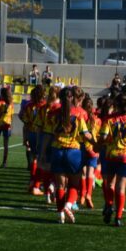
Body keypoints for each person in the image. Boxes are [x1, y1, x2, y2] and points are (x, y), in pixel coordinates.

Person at [41, 86, 92, 224]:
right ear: (72, 98)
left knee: (60, 186)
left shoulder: (53, 113)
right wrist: (96, 141)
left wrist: (43, 152)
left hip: (57, 151)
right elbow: (85, 134)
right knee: (74, 184)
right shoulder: (79, 113)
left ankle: (60, 215)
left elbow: (48, 134)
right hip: (73, 152)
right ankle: (68, 206)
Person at [100, 95, 126, 227]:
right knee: (121, 187)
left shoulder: (109, 119)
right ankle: (118, 217)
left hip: (111, 155)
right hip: (125, 156)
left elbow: (103, 136)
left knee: (110, 184)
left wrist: (104, 142)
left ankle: (109, 205)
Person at [22, 85, 45, 194]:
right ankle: (36, 185)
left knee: (34, 159)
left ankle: (32, 182)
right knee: (41, 161)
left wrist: (25, 137)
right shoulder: (45, 106)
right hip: (41, 135)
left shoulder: (28, 106)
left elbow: (26, 123)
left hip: (31, 134)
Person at [80, 95, 101, 209]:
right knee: (90, 173)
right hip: (93, 147)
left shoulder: (81, 118)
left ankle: (82, 195)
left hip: (82, 147)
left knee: (83, 173)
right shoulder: (97, 120)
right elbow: (98, 135)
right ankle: (89, 194)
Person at [0, 87, 14, 168]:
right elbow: (11, 116)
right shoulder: (11, 103)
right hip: (7, 124)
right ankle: (4, 163)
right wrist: (11, 125)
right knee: (6, 145)